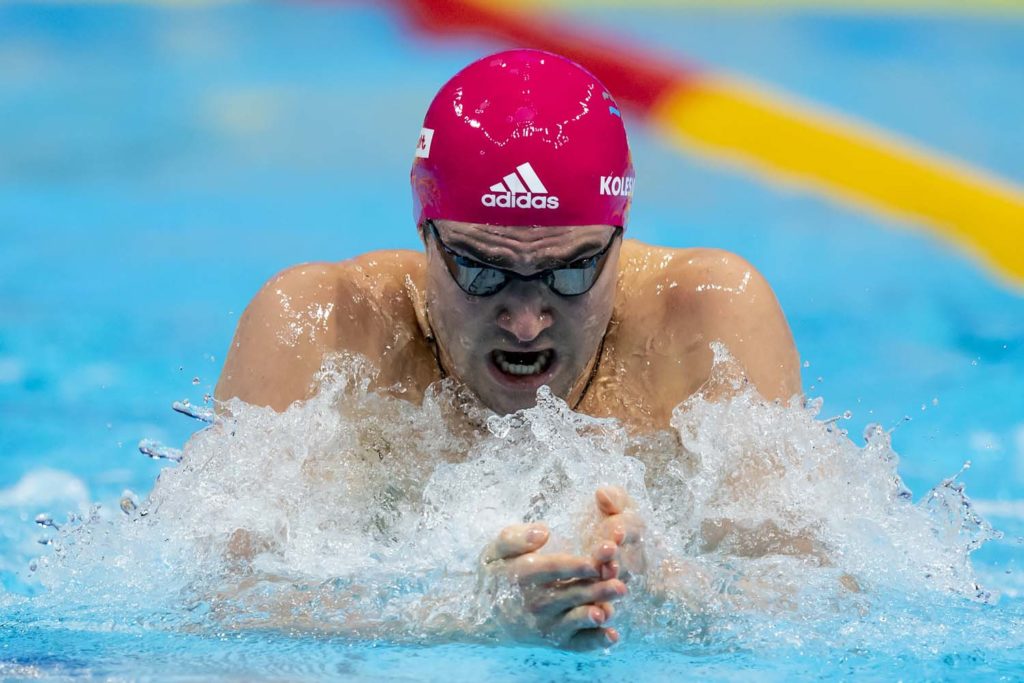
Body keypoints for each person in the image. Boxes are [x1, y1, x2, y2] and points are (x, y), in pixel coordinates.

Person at [214, 49, 802, 650]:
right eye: (481, 268)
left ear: (620, 239)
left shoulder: (707, 317)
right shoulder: (325, 327)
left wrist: (666, 591)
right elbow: (214, 599)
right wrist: (469, 619)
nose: (525, 323)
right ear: (425, 235)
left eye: (570, 271)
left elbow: (822, 593)